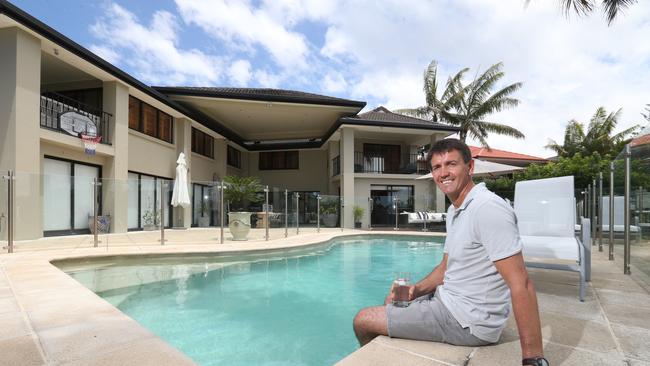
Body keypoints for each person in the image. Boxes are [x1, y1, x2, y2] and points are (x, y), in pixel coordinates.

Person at [352, 139, 548, 366]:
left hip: (467, 321)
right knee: (393, 300)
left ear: (470, 167)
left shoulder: (487, 209)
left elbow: (521, 283)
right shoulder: (456, 210)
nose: (443, 173)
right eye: (437, 167)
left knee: (363, 320)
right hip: (450, 300)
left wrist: (532, 358)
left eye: (451, 164)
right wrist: (415, 290)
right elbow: (446, 267)